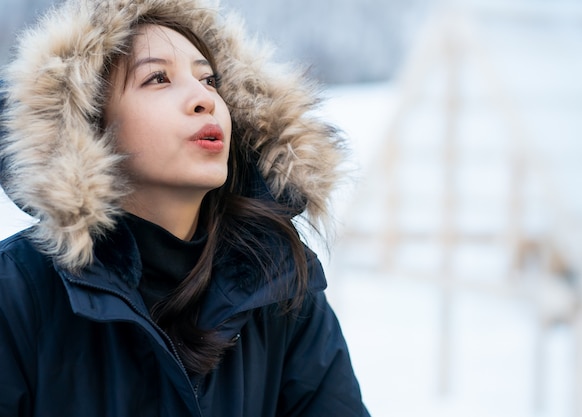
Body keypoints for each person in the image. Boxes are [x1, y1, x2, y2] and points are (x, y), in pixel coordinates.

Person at [0, 0, 370, 416]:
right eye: (158, 78)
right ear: (86, 123)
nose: (203, 98)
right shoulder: (17, 291)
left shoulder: (280, 285)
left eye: (209, 79)